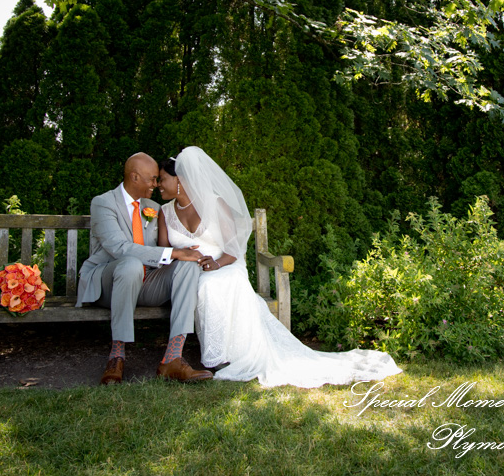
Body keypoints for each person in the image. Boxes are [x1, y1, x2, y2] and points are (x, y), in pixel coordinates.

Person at [156, 146, 402, 388]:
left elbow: (233, 249)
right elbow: (163, 252)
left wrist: (215, 263)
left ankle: (224, 356)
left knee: (213, 284)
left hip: (225, 266)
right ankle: (213, 355)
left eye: (162, 179)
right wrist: (185, 258)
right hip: (186, 272)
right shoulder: (164, 213)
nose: (158, 184)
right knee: (201, 283)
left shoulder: (214, 204)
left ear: (180, 180)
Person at [76, 152, 213, 384]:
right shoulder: (103, 203)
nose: (156, 184)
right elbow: (119, 248)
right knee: (130, 264)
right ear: (135, 177)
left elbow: (162, 248)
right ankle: (116, 356)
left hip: (146, 283)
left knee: (187, 267)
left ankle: (173, 358)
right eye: (151, 179)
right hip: (109, 283)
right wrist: (175, 253)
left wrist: (186, 251)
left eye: (158, 179)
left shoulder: (152, 207)